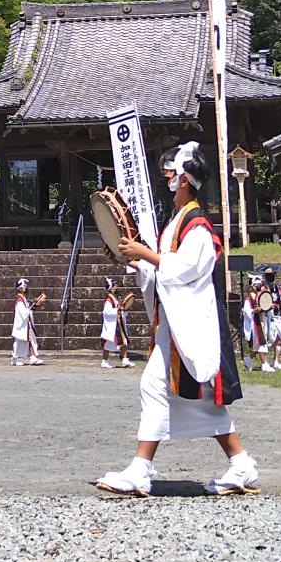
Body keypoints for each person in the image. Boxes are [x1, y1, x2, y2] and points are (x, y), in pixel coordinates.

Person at [96, 142, 258, 498]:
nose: (166, 176)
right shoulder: (178, 220)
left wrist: (145, 255)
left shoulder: (197, 223)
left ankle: (141, 470)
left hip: (189, 323)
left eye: (171, 172)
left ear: (183, 179)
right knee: (179, 394)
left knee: (157, 386)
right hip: (174, 321)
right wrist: (134, 259)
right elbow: (163, 269)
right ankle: (239, 462)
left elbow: (185, 270)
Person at [100, 278, 132, 369]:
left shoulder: (114, 298)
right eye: (114, 286)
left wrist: (123, 310)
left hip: (119, 323)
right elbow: (106, 312)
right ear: (110, 287)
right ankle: (104, 361)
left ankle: (125, 359)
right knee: (109, 343)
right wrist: (118, 310)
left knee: (124, 341)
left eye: (115, 286)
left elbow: (119, 308)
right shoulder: (109, 299)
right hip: (113, 325)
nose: (115, 287)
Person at [10, 278, 43, 366]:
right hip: (21, 325)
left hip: (25, 325)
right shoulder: (19, 301)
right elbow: (24, 313)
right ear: (20, 288)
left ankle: (32, 357)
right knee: (20, 342)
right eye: (24, 286)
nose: (26, 288)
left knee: (29, 340)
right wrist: (32, 307)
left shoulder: (22, 299)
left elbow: (27, 308)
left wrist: (33, 304)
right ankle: (15, 359)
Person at [262, 266, 281, 372]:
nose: (270, 277)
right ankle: (264, 361)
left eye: (271, 275)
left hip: (279, 316)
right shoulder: (263, 290)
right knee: (268, 340)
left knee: (279, 340)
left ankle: (276, 361)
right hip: (268, 317)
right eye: (268, 275)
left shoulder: (280, 289)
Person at [241, 275, 266, 371]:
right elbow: (247, 311)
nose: (258, 286)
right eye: (255, 285)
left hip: (263, 320)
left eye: (259, 284)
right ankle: (264, 364)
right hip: (255, 323)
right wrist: (255, 310)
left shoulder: (261, 295)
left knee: (261, 343)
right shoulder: (249, 299)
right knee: (260, 343)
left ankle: (248, 359)